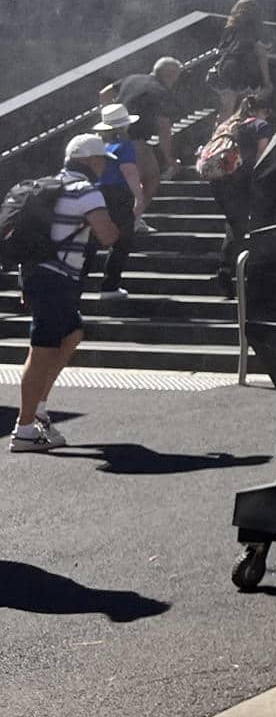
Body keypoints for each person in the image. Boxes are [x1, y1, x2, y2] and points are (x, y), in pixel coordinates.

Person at [11, 135, 121, 452]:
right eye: (100, 160)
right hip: (57, 279)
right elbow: (107, 235)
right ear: (90, 161)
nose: (103, 166)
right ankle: (25, 429)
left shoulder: (49, 185)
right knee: (42, 349)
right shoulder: (86, 191)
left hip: (38, 275)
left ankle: (39, 410)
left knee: (72, 334)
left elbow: (34, 236)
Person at [203, 96, 274, 298]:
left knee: (234, 224)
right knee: (240, 225)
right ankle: (232, 271)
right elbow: (263, 155)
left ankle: (228, 270)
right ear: (263, 110)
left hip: (218, 180)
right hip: (240, 182)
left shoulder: (228, 124)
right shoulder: (260, 126)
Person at [103, 56, 182, 227]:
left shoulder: (131, 79)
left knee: (125, 182)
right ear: (170, 74)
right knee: (151, 179)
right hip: (136, 141)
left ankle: (126, 218)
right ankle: (132, 219)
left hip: (112, 139)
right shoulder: (161, 91)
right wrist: (169, 158)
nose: (176, 81)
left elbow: (105, 93)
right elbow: (163, 126)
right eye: (176, 76)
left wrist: (108, 118)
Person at [88, 103, 146, 302]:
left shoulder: (100, 145)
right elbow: (129, 171)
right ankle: (110, 285)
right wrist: (139, 196)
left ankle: (76, 280)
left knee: (93, 239)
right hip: (118, 194)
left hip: (98, 192)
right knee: (122, 239)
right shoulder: (125, 145)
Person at [208, 0, 273, 117]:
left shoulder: (230, 28)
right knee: (243, 107)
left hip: (227, 68)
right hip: (245, 70)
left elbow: (221, 48)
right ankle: (235, 131)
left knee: (226, 108)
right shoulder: (255, 31)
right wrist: (267, 81)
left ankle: (220, 133)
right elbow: (261, 52)